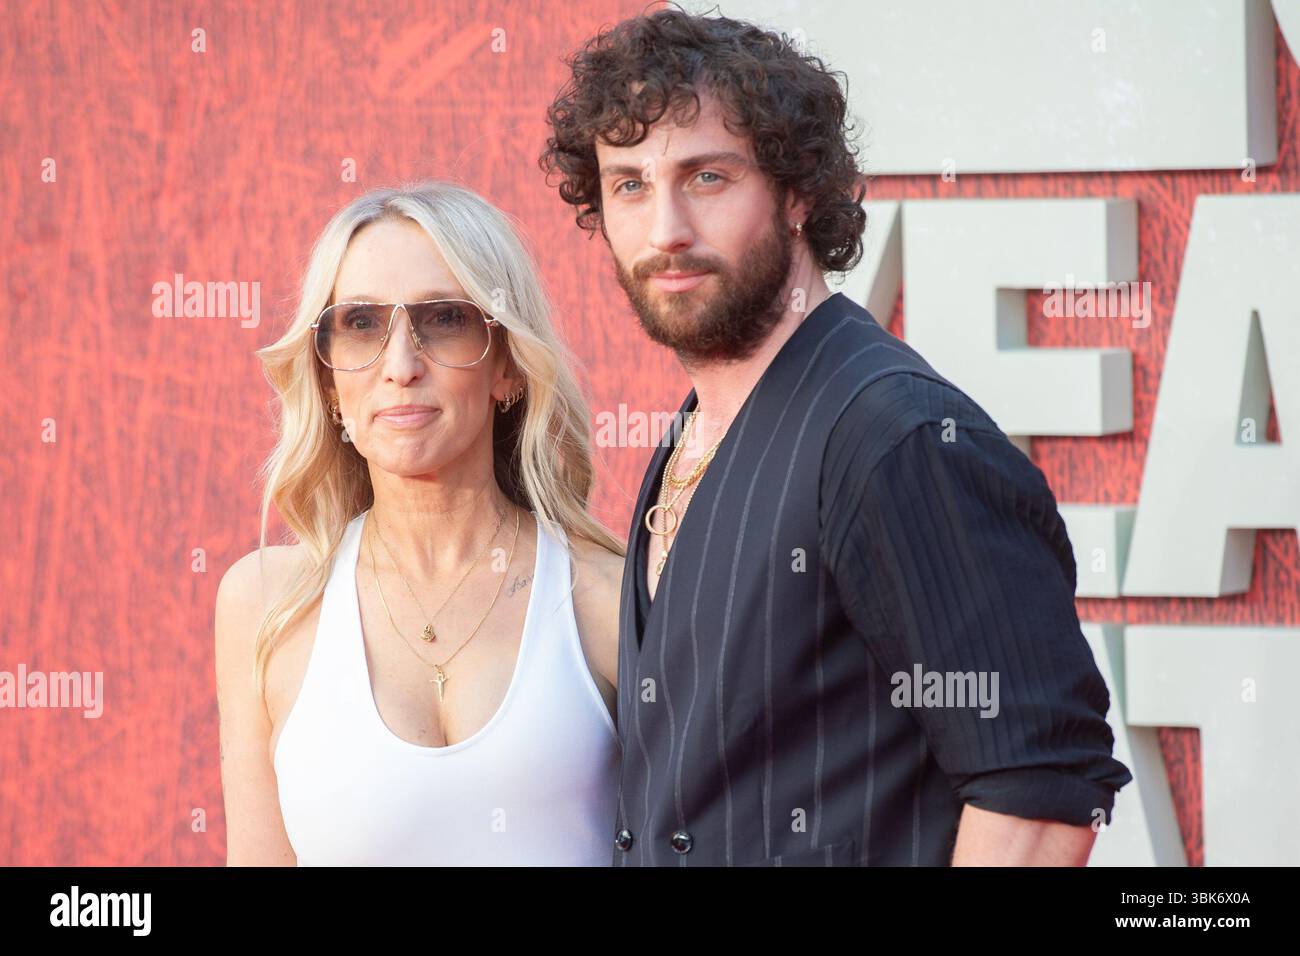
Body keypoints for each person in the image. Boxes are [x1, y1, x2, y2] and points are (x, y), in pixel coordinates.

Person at [540, 8, 1133, 866]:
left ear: (797, 193)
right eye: (628, 184)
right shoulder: (700, 426)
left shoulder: (897, 438)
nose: (664, 228)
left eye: (706, 177)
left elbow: (1039, 791)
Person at [215, 182, 625, 865]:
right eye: (361, 324)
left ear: (508, 366)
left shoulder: (608, 600)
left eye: (443, 319)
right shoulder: (265, 604)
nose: (400, 367)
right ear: (326, 379)